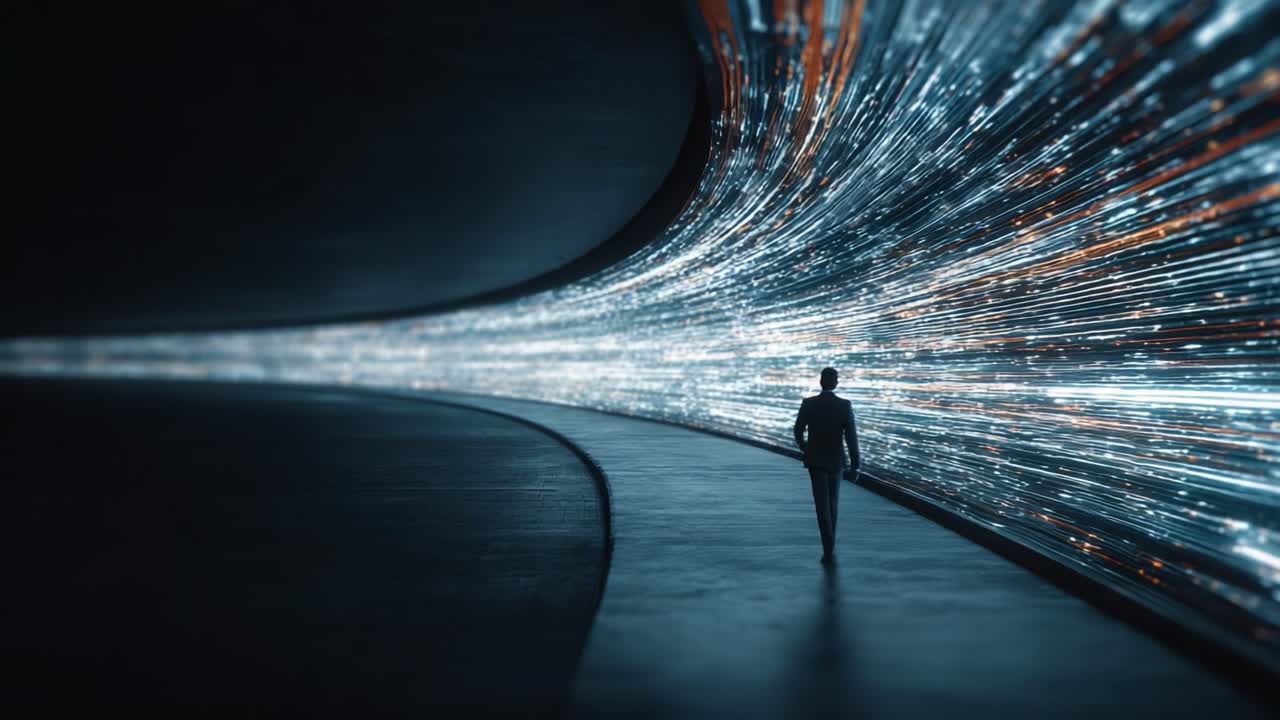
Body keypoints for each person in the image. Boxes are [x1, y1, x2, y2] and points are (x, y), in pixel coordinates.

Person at [793, 367, 860, 563]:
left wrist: (805, 447)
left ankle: (827, 546)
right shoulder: (844, 405)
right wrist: (856, 466)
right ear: (836, 383)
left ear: (820, 382)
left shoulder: (809, 403)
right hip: (836, 460)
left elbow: (798, 430)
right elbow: (851, 438)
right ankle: (831, 544)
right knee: (833, 502)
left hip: (815, 460)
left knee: (821, 505)